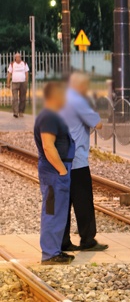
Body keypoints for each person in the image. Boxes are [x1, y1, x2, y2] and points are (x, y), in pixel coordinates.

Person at [59, 72, 107, 253]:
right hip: (77, 161)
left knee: (64, 202)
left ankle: (63, 241)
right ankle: (88, 240)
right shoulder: (78, 102)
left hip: (62, 159)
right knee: (83, 201)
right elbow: (98, 123)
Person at [34, 81, 75, 264]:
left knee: (57, 211)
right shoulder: (49, 117)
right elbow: (48, 146)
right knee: (52, 212)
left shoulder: (52, 115)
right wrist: (62, 170)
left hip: (56, 171)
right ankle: (50, 254)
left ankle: (55, 250)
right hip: (54, 172)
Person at [8, 52, 29, 118]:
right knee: (15, 98)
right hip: (14, 82)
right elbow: (9, 74)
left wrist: (26, 81)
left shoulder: (24, 64)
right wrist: (8, 83)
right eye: (17, 57)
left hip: (23, 82)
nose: (18, 58)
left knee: (22, 98)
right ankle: (16, 112)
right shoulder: (12, 64)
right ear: (15, 58)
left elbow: (26, 72)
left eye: (19, 57)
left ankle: (21, 112)